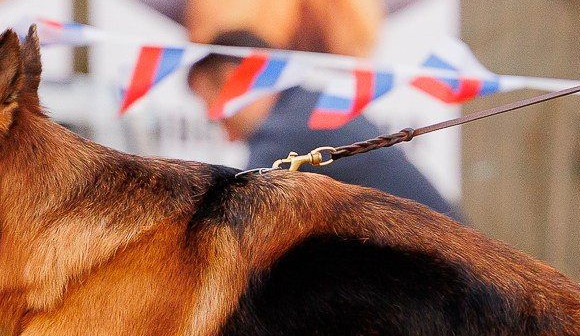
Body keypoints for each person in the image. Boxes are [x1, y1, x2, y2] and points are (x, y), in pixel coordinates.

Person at [183, 55, 460, 219]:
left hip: (442, 287)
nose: (211, 117)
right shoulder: (314, 105)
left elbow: (231, 220)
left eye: (210, 103)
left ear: (235, 79)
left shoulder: (284, 132)